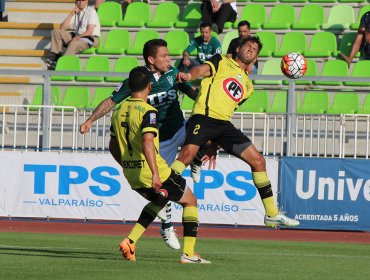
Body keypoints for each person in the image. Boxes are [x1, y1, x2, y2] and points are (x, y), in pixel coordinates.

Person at [80, 39, 199, 249]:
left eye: (168, 55)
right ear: (151, 60)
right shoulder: (139, 80)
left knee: (208, 124)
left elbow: (191, 93)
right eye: (164, 56)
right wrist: (90, 120)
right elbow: (110, 101)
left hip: (180, 127)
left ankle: (197, 158)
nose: (168, 59)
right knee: (164, 189)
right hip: (160, 140)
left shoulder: (174, 74)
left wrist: (202, 94)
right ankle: (167, 224)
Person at [173, 36, 300, 228]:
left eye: (255, 49)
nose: (250, 50)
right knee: (185, 157)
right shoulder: (221, 60)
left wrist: (214, 145)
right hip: (204, 117)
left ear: (256, 57)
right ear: (239, 49)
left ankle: (271, 214)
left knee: (259, 161)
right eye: (248, 46)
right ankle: (164, 186)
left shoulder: (248, 87)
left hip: (224, 124)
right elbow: (202, 70)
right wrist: (190, 76)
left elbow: (228, 106)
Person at [113, 66, 210, 264]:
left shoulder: (117, 112)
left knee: (159, 201)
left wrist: (126, 165)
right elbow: (148, 142)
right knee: (190, 201)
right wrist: (156, 174)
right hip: (154, 172)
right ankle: (189, 254)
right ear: (149, 85)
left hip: (132, 173)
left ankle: (130, 241)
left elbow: (112, 146)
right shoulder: (149, 111)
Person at [44, 0, 100, 70]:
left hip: (90, 38)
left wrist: (77, 37)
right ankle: (57, 56)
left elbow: (90, 31)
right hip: (77, 35)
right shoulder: (76, 12)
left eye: (83, 0)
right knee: (56, 32)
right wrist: (71, 14)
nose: (80, 2)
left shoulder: (91, 12)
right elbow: (62, 28)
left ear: (87, 1)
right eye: (78, 0)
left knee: (73, 43)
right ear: (76, 2)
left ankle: (62, 64)